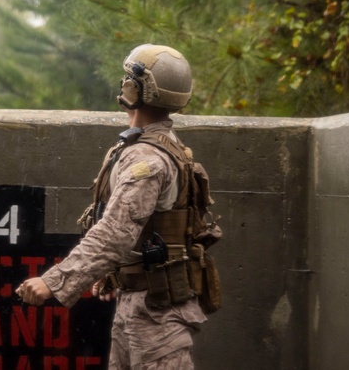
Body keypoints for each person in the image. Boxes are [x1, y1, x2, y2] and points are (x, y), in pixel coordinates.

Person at [16, 44, 222, 370]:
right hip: (141, 306)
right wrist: (114, 274)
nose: (123, 84)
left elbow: (116, 232)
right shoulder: (147, 147)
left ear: (136, 89)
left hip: (157, 316)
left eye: (128, 78)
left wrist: (54, 281)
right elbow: (145, 230)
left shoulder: (147, 158)